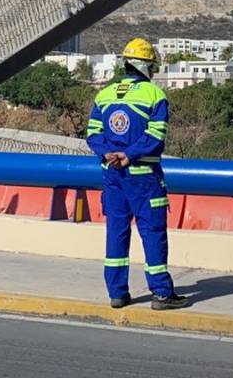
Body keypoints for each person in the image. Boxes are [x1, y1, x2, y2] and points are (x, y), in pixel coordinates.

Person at [86, 38, 187, 311]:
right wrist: (129, 155)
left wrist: (107, 153)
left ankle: (117, 293)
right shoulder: (154, 95)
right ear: (145, 65)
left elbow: (93, 133)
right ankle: (162, 294)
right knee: (152, 233)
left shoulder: (104, 95)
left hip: (112, 178)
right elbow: (155, 137)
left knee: (116, 234)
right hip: (144, 179)